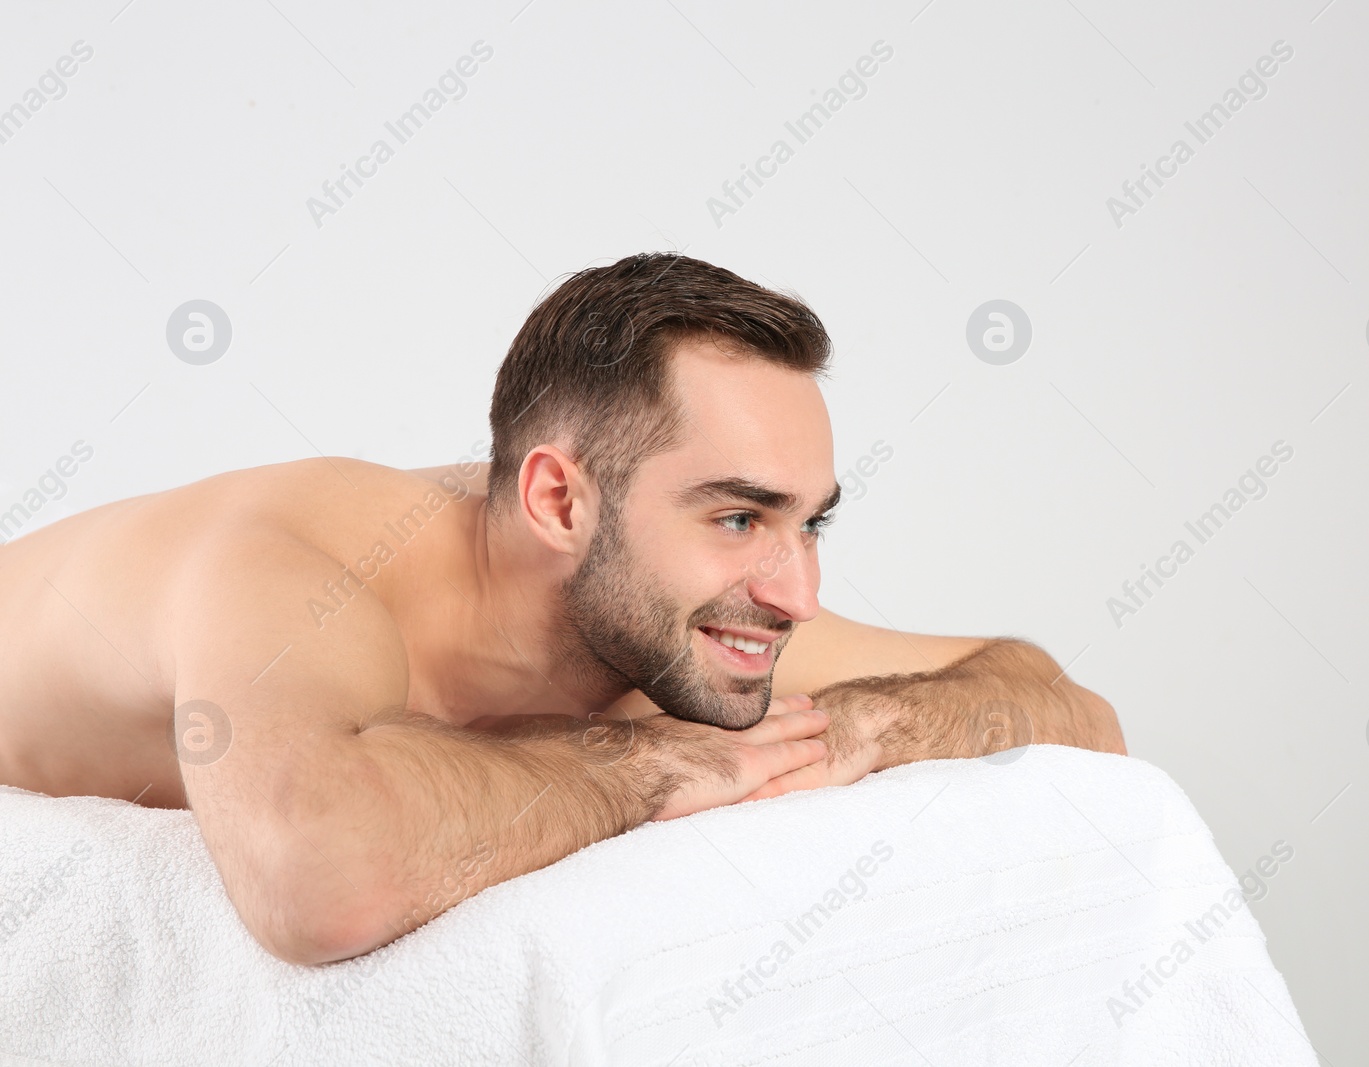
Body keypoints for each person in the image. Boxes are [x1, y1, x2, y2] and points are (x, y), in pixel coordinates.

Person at [0, 252, 1124, 965]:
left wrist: (866, 725)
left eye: (809, 522)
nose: (799, 594)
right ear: (557, 499)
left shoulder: (664, 603)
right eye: (738, 516)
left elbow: (1062, 701)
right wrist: (652, 761)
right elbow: (317, 873)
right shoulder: (292, 562)